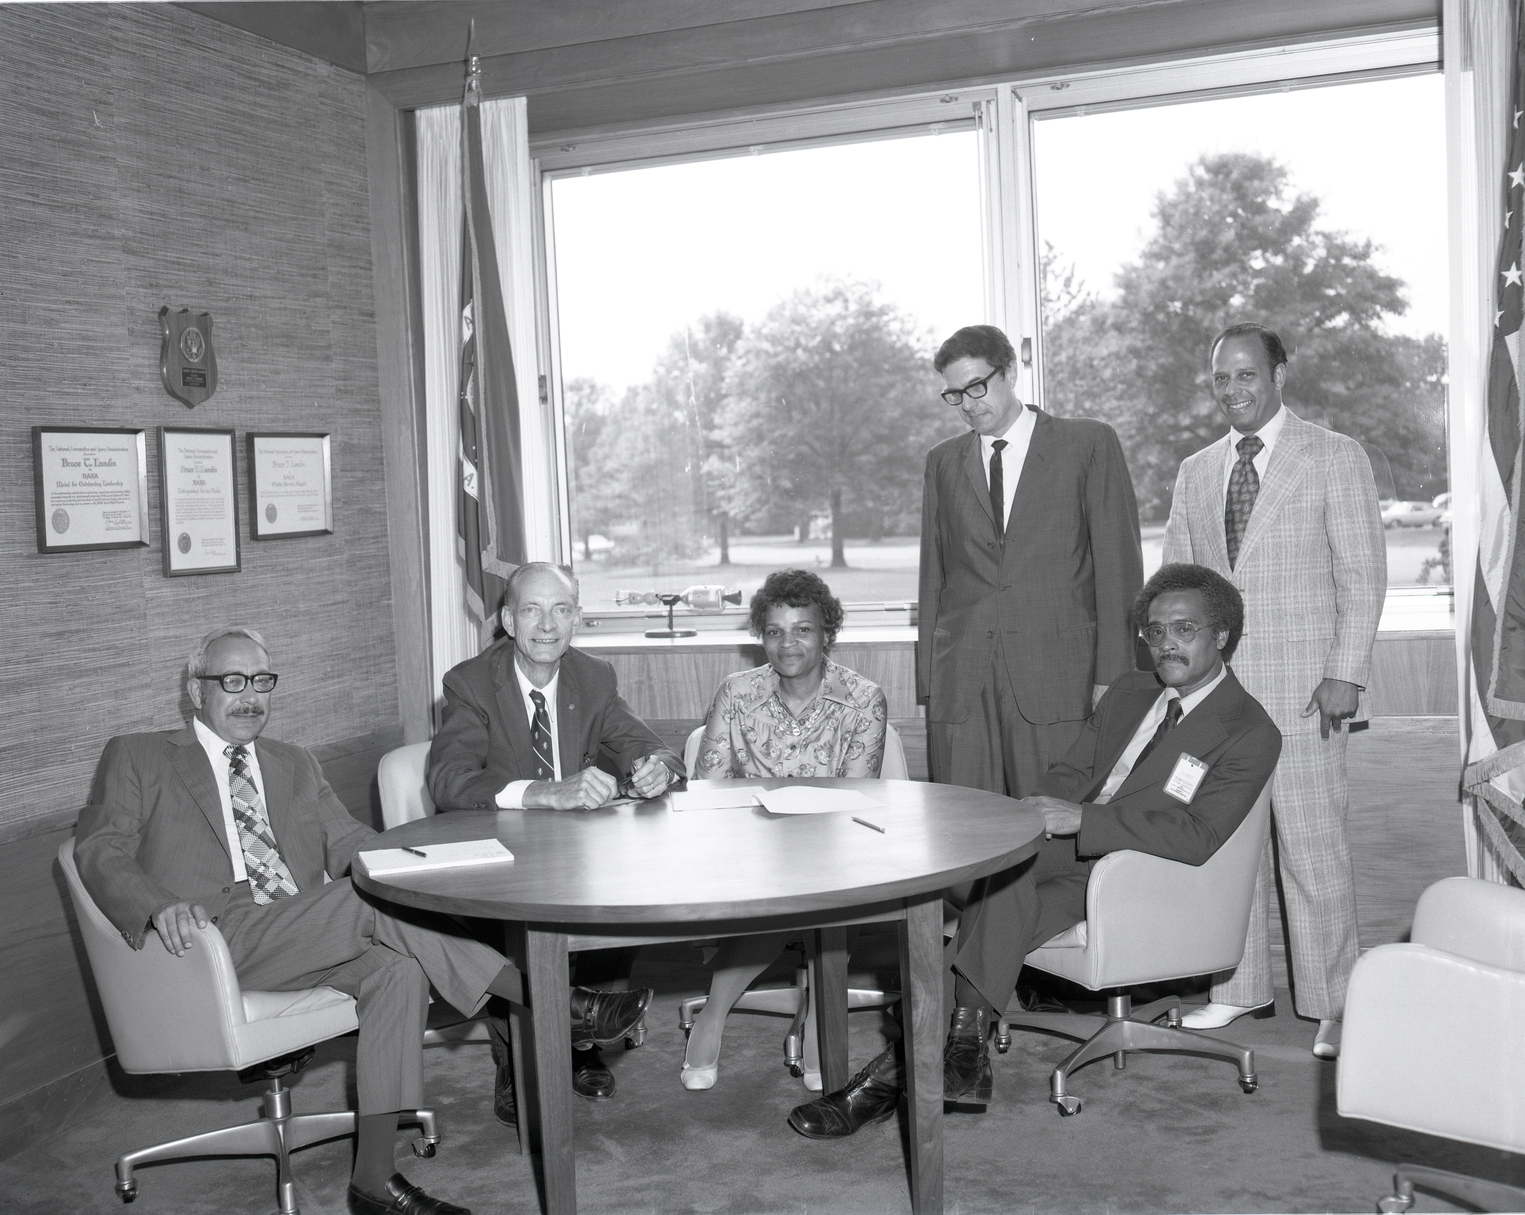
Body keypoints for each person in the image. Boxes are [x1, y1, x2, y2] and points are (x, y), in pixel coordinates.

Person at [74, 627, 651, 1215]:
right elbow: (99, 850)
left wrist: (428, 867)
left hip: (301, 928)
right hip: (212, 940)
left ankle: (374, 1181)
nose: (250, 697)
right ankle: (552, 1000)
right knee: (368, 901)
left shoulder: (293, 763)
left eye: (262, 683)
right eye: (232, 682)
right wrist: (156, 905)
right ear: (196, 692)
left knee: (397, 967)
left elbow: (354, 844)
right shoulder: (140, 755)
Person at [786, 564, 1282, 1136]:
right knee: (979, 865)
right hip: (1064, 847)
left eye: (1185, 629)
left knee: (998, 887)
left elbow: (1198, 835)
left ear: (1222, 634)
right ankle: (962, 1052)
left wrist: (1083, 819)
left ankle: (889, 1077)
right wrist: (1033, 813)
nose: (1166, 643)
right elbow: (1074, 768)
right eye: (1154, 630)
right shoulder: (1130, 692)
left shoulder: (1248, 729)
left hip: (1137, 872)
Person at [1163, 322, 1384, 1060]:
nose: (1232, 390)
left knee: (1312, 847)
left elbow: (1361, 574)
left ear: (1278, 374)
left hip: (1305, 692)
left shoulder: (1332, 456)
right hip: (1218, 700)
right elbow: (1177, 586)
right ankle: (1235, 988)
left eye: (1245, 375)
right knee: (1226, 843)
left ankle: (1335, 1002)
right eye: (1220, 379)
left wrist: (1344, 670)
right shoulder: (1196, 471)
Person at [427, 561, 683, 1119]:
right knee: (507, 923)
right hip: (501, 850)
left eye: (561, 610)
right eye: (532, 610)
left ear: (577, 619)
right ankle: (515, 1058)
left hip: (579, 851)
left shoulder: (593, 677)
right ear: (507, 619)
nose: (547, 625)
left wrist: (659, 768)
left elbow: (651, 747)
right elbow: (449, 782)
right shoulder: (470, 683)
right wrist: (544, 792)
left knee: (622, 891)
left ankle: (582, 1043)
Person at [681, 569, 888, 1091]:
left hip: (838, 847)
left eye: (803, 629)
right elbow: (707, 788)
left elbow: (856, 795)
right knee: (778, 893)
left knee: (835, 892)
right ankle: (714, 1015)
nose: (788, 643)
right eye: (775, 631)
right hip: (752, 847)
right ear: (761, 637)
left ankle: (822, 1015)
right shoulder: (736, 693)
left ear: (827, 634)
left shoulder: (864, 699)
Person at [920, 324, 1144, 802]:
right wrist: (931, 684)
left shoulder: (1087, 444)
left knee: (1053, 833)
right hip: (962, 683)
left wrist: (1114, 679)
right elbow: (933, 576)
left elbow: (1119, 572)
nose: (968, 404)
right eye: (954, 394)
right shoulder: (942, 462)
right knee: (964, 833)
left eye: (977, 387)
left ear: (1011, 372)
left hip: (1059, 677)